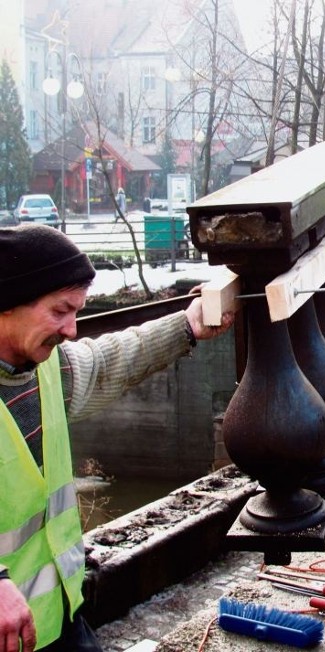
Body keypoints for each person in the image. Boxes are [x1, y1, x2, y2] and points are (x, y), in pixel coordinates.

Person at [0, 224, 234, 651]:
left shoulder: (46, 369)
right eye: (60, 311)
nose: (72, 330)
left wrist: (188, 326)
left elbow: (111, 361)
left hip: (58, 618)